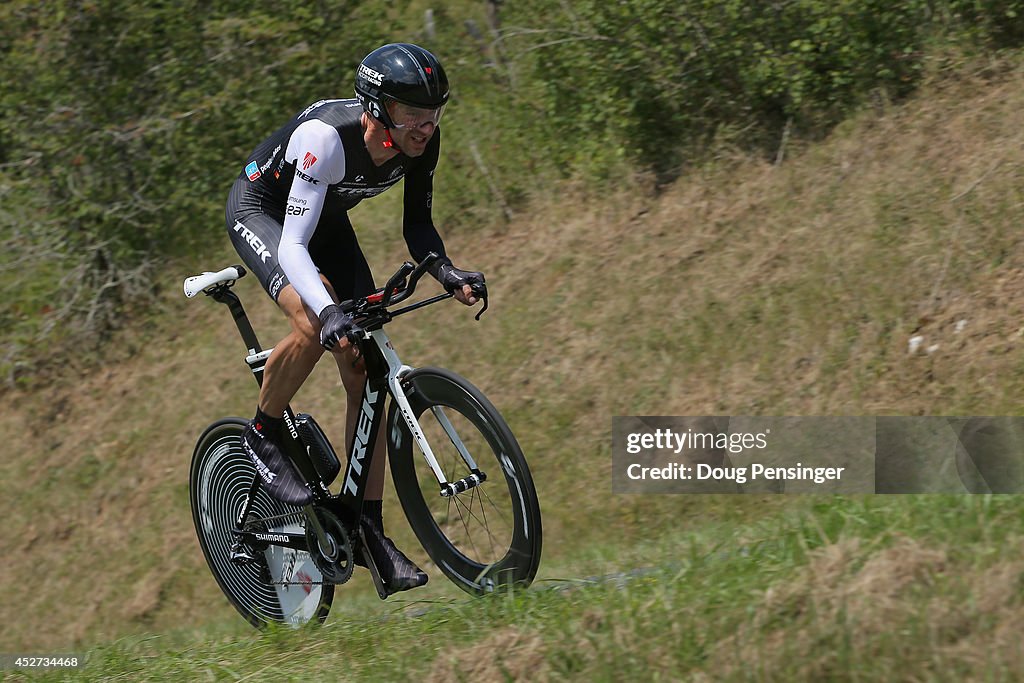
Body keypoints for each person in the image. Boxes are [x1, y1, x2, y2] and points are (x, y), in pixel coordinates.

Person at [224, 43, 485, 594]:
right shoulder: (325, 139)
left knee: (365, 365)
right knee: (316, 321)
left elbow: (419, 228)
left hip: (324, 215)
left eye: (435, 112)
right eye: (415, 114)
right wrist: (326, 311)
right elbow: (293, 246)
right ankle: (263, 435)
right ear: (378, 108)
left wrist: (448, 272)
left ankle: (367, 527)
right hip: (264, 211)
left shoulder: (420, 143)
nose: (427, 125)